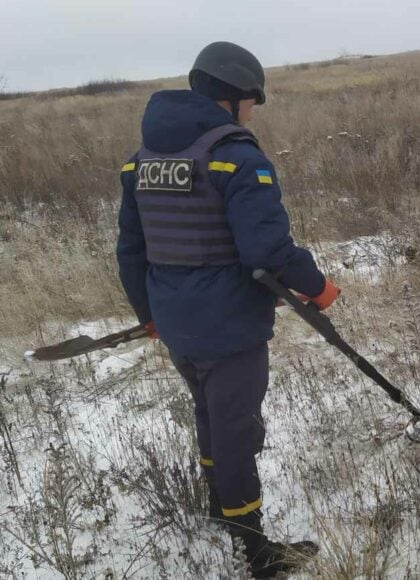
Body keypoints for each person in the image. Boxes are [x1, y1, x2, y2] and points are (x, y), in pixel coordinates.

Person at [116, 41, 339, 578]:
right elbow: (267, 252)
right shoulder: (236, 157)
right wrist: (319, 287)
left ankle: (222, 511)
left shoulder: (141, 161)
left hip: (175, 323)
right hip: (229, 326)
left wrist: (149, 314)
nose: (252, 111)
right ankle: (255, 551)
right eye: (252, 101)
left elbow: (131, 250)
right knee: (237, 430)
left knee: (211, 417)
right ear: (234, 97)